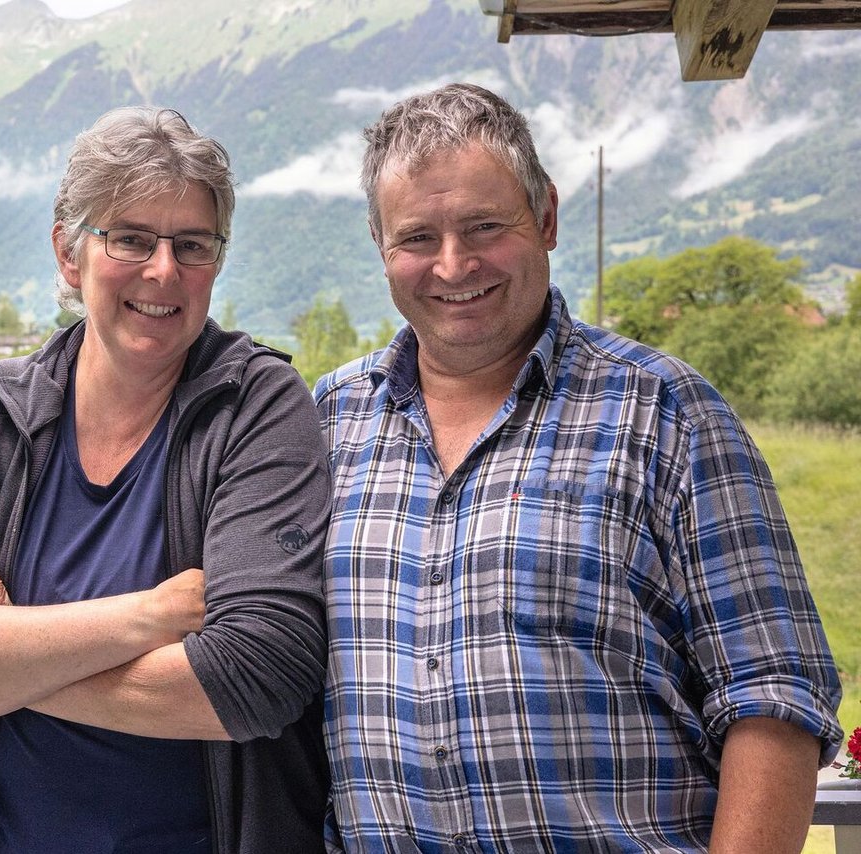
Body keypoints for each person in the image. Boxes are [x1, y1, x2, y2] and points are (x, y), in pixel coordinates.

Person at [313, 82, 843, 853]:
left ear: (549, 217)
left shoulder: (665, 410)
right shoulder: (327, 422)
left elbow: (774, 696)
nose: (453, 265)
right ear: (381, 248)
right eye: (418, 238)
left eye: (485, 226)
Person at [0, 106, 331, 853]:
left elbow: (256, 676)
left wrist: (1, 647)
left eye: (193, 245)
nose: (164, 270)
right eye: (132, 238)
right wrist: (146, 617)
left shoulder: (258, 408)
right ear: (69, 254)